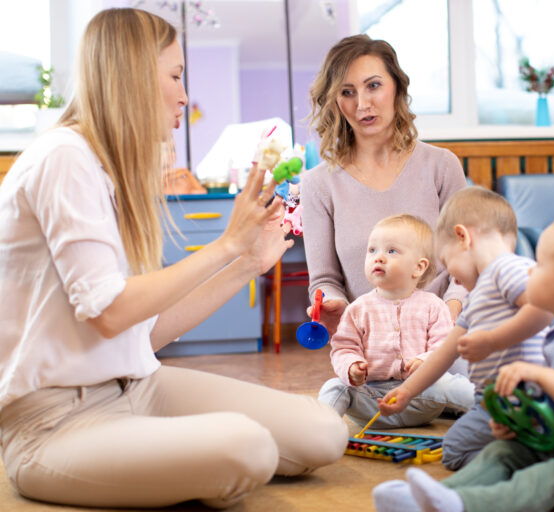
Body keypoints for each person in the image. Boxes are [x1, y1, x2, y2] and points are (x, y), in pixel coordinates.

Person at [0, 8, 347, 509]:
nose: (185, 95)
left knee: (323, 432)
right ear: (134, 75)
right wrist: (225, 244)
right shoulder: (63, 158)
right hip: (53, 421)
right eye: (176, 75)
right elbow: (110, 311)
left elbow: (145, 332)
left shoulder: (111, 171)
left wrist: (248, 261)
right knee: (245, 448)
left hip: (137, 387)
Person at [372, 213, 554, 512]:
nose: (530, 270)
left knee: (548, 478)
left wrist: (541, 376)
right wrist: (520, 425)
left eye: (541, 266)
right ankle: (428, 500)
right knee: (503, 452)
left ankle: (463, 505)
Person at [302, 34, 468, 339]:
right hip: (369, 350)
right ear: (335, 101)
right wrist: (333, 304)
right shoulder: (317, 184)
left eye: (373, 86)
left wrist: (450, 312)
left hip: (444, 340)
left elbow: (467, 260)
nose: (362, 104)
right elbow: (324, 280)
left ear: (397, 87)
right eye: (347, 92)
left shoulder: (441, 166)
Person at [377, 187, 553, 470]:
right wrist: (408, 391)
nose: (452, 278)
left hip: (526, 395)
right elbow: (445, 352)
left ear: (463, 237)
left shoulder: (508, 269)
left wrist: (492, 341)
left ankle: (521, 460)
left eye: (446, 263)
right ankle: (519, 456)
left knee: (456, 453)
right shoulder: (478, 295)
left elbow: (544, 308)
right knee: (454, 450)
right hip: (491, 402)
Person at [318, 214, 474, 427]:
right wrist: (351, 366)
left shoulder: (433, 306)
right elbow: (343, 348)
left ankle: (498, 413)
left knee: (450, 383)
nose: (378, 257)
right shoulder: (357, 309)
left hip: (420, 395)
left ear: (419, 267)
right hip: (373, 400)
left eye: (391, 251)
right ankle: (319, 429)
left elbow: (444, 347)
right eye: (372, 250)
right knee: (334, 387)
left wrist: (427, 361)